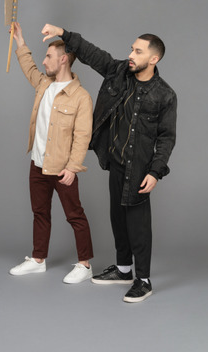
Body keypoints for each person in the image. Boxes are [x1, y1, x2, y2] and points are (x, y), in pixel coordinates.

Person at [41, 23, 177, 301]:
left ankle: (144, 280)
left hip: (140, 168)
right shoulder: (118, 72)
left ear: (154, 59)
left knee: (138, 224)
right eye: (131, 49)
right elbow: (92, 54)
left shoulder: (165, 94)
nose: (131, 55)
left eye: (138, 52)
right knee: (118, 218)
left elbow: (166, 137)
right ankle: (124, 269)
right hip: (115, 162)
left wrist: (155, 171)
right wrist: (64, 34)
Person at [9, 22, 94, 284]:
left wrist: (73, 167)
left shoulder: (81, 96)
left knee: (74, 214)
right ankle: (38, 260)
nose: (44, 61)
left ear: (64, 59)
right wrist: (19, 39)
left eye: (49, 56)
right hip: (37, 163)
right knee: (40, 213)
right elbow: (28, 67)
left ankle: (85, 264)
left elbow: (82, 136)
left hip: (62, 168)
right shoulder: (43, 84)